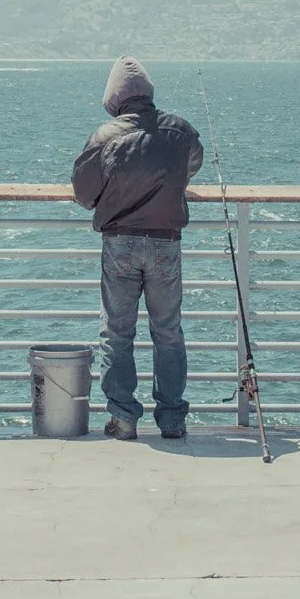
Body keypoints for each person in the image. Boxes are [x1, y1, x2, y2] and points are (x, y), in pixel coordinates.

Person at [71, 55, 203, 441]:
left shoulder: (104, 137)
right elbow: (192, 164)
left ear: (114, 99)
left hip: (120, 243)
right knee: (168, 332)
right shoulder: (181, 131)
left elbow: (83, 194)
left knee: (116, 332)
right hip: (166, 243)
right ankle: (172, 419)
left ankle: (123, 418)